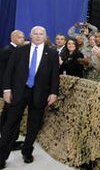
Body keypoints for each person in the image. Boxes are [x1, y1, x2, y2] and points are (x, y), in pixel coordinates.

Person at [0, 26, 59, 168]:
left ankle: (27, 151)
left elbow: (54, 76)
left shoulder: (51, 54)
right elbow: (9, 71)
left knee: (34, 125)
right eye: (35, 34)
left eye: (41, 34)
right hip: (19, 92)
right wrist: (6, 89)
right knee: (10, 124)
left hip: (40, 94)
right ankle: (1, 157)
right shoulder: (20, 50)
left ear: (45, 37)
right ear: (30, 35)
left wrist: (53, 92)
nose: (38, 36)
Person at [0, 30, 25, 151]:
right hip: (11, 90)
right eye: (20, 37)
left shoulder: (13, 50)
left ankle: (6, 140)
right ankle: (9, 142)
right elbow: (5, 73)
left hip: (13, 89)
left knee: (7, 115)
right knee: (11, 117)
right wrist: (7, 90)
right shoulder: (8, 51)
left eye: (23, 37)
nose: (23, 39)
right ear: (13, 38)